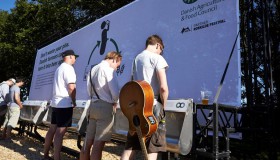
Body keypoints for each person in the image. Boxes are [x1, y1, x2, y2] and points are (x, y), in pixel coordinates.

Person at [121, 35, 169, 160]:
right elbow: (163, 88)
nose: (160, 52)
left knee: (130, 147)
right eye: (161, 49)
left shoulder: (137, 59)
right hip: (152, 106)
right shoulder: (157, 58)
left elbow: (132, 84)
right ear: (158, 45)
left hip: (136, 108)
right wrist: (164, 106)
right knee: (152, 147)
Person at [79, 51, 122, 160]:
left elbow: (89, 90)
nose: (117, 68)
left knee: (87, 143)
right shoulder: (109, 70)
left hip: (92, 106)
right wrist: (114, 101)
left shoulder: (93, 69)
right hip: (105, 107)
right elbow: (116, 93)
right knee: (98, 145)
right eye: (117, 65)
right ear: (114, 59)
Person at [43, 49, 79, 160]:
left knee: (52, 129)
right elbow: (71, 87)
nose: (75, 59)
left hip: (56, 104)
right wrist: (74, 101)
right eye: (74, 57)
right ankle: (56, 157)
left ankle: (45, 155)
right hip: (64, 103)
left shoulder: (59, 68)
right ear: (70, 57)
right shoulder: (69, 68)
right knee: (60, 132)